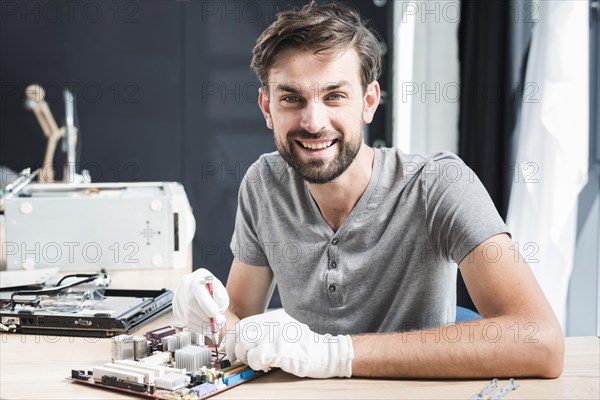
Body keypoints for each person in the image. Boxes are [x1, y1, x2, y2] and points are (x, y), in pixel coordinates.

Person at [173, 1, 563, 379]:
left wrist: (337, 355)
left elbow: (540, 341)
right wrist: (208, 313)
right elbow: (241, 317)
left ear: (369, 102)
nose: (313, 121)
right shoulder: (264, 183)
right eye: (292, 98)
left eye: (335, 96)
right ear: (267, 107)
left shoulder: (439, 185)